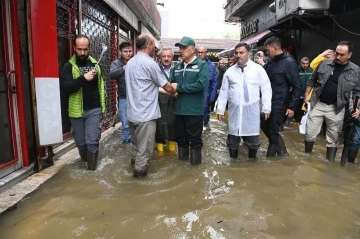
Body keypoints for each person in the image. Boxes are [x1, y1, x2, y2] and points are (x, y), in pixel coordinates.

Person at [125, 34, 177, 178]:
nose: (155, 48)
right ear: (148, 45)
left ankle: (132, 169)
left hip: (132, 113)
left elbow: (146, 85)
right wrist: (174, 90)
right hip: (145, 115)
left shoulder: (130, 62)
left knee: (135, 147)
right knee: (145, 150)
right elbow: (166, 86)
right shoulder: (150, 64)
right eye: (153, 45)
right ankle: (139, 180)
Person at [304, 41, 360, 161]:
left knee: (333, 138)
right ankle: (307, 157)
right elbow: (312, 80)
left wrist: (356, 108)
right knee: (309, 133)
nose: (338, 57)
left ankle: (329, 163)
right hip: (318, 104)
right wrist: (306, 95)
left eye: (342, 55)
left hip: (337, 108)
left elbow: (357, 92)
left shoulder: (355, 70)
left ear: (349, 55)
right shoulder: (324, 63)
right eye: (337, 53)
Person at [217, 43, 272, 159]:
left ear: (248, 54)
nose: (238, 55)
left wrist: (266, 108)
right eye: (236, 53)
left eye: (241, 53)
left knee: (253, 142)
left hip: (251, 112)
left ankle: (252, 165)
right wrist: (220, 110)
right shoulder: (230, 72)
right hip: (235, 112)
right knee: (233, 142)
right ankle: (233, 165)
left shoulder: (258, 70)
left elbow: (266, 88)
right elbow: (224, 91)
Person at [60, 34, 106, 171]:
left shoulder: (95, 65)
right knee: (81, 143)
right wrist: (84, 78)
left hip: (94, 109)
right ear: (74, 48)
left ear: (89, 48)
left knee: (92, 141)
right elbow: (67, 88)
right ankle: (86, 162)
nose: (82, 52)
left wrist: (103, 108)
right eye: (79, 49)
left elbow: (101, 88)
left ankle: (91, 173)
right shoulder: (68, 67)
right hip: (76, 111)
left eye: (85, 49)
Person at [260, 36, 302, 157]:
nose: (267, 53)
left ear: (276, 48)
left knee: (273, 131)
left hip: (281, 103)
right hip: (268, 102)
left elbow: (297, 86)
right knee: (264, 125)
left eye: (268, 50)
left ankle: (271, 159)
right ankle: (283, 154)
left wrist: (292, 107)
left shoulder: (289, 62)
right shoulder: (271, 62)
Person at [171, 36, 208, 165]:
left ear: (193, 49)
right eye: (180, 48)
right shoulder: (177, 67)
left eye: (184, 47)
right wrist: (172, 91)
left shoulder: (202, 65)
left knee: (195, 140)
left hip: (193, 111)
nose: (181, 50)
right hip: (178, 111)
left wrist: (179, 88)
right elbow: (171, 84)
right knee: (180, 139)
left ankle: (195, 169)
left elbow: (200, 85)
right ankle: (182, 168)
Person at [110, 41, 132, 144]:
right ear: (120, 52)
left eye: (130, 51)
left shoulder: (135, 61)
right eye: (125, 51)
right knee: (125, 122)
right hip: (123, 97)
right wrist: (123, 68)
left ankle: (135, 142)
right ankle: (127, 142)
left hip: (136, 97)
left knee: (137, 121)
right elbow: (112, 74)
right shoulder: (116, 63)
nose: (128, 53)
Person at [155, 48, 177, 152]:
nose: (166, 58)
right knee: (159, 128)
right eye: (164, 56)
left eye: (169, 56)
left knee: (173, 127)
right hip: (158, 103)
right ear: (159, 58)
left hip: (174, 103)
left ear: (172, 58)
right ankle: (160, 153)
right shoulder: (155, 69)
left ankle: (172, 152)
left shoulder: (177, 69)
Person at [197, 46, 218, 126]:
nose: (200, 54)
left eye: (202, 52)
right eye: (198, 52)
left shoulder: (211, 66)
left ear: (206, 53)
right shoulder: (193, 64)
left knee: (204, 116)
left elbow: (214, 83)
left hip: (206, 95)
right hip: (195, 95)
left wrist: (212, 98)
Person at [294, 57, 313, 125]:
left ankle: (305, 125)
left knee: (307, 112)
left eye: (307, 63)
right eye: (303, 63)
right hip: (298, 95)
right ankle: (297, 124)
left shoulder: (311, 71)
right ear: (300, 63)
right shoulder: (296, 70)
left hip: (308, 95)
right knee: (297, 111)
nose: (305, 65)